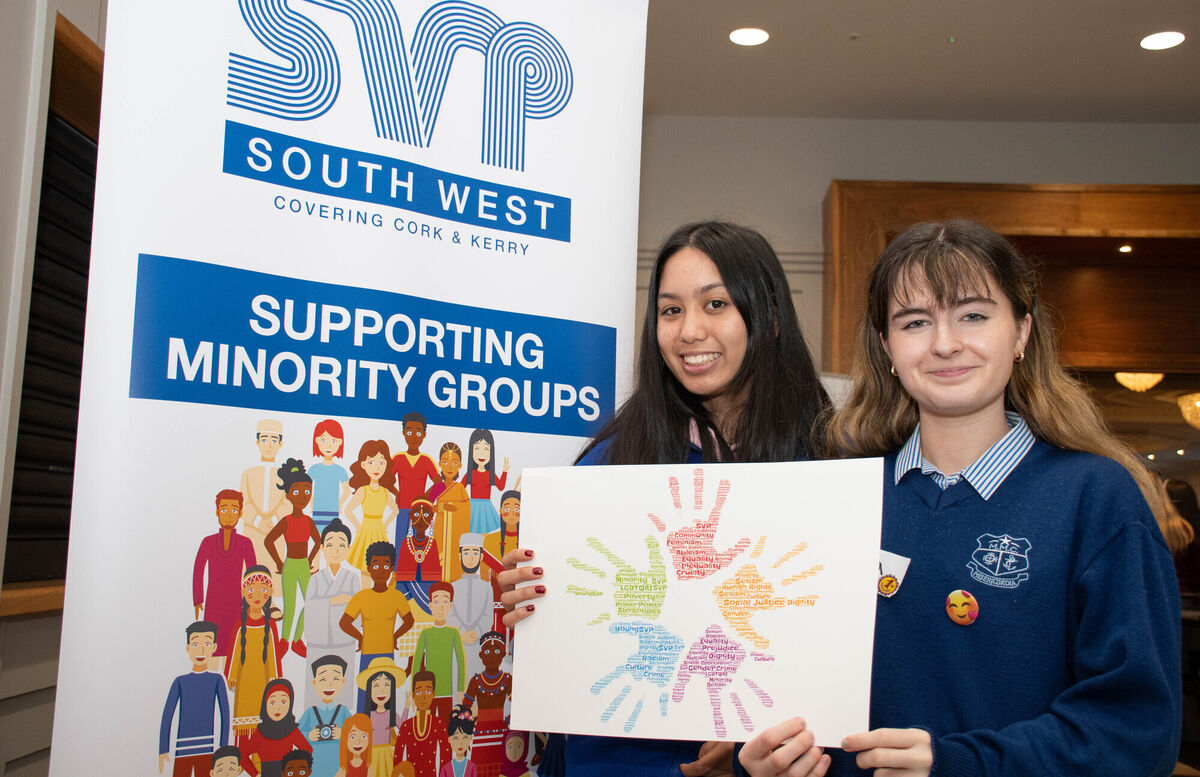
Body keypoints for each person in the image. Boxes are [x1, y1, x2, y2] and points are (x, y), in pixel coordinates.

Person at [735, 219, 1182, 776]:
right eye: (915, 322)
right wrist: (759, 760)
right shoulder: (831, 496)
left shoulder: (1096, 500)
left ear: (1021, 332)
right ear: (887, 347)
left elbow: (1136, 732)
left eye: (973, 315)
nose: (944, 343)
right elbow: (777, 683)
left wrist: (960, 765)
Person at [497, 220, 831, 776]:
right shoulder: (611, 461)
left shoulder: (826, 463)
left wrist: (748, 746)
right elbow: (578, 624)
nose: (689, 331)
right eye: (671, 310)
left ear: (769, 316)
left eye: (716, 304)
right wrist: (534, 601)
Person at [193, 490, 257, 670]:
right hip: (213, 601)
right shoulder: (208, 542)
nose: (229, 515)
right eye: (224, 509)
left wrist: (251, 602)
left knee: (234, 648)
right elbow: (198, 570)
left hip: (236, 602)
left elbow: (252, 574)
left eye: (234, 510)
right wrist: (198, 599)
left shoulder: (245, 543)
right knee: (212, 647)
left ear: (240, 513)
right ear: (217, 512)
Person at [265, 458, 322, 658]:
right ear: (288, 495)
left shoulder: (308, 521)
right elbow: (268, 541)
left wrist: (310, 559)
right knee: (289, 606)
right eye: (297, 492)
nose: (303, 497)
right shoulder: (287, 521)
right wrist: (279, 562)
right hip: (290, 565)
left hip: (303, 566)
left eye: (308, 491)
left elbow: (318, 541)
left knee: (311, 602)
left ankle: (297, 640)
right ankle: (284, 641)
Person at [160, 621, 231, 776]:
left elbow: (225, 715)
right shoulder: (180, 681)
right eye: (195, 644)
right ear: (188, 648)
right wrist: (163, 749)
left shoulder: (217, 680)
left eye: (207, 643)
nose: (201, 650)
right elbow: (167, 716)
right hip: (182, 749)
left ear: (214, 647)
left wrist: (223, 747)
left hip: (207, 748)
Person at [304, 519, 362, 709]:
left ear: (348, 549)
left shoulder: (353, 579)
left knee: (341, 686)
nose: (335, 550)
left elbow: (357, 611)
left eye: (341, 545)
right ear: (322, 548)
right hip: (319, 642)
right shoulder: (315, 579)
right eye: (330, 544)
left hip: (344, 641)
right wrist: (333, 601)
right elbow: (310, 609)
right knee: (318, 687)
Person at [227, 566, 284, 748]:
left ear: (270, 592)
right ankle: (243, 753)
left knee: (263, 717)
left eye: (263, 589)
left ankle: (260, 755)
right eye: (252, 589)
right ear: (244, 592)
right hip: (244, 678)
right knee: (244, 717)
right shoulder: (239, 624)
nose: (258, 595)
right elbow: (234, 653)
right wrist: (232, 675)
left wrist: (275, 677)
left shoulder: (270, 625)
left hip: (263, 678)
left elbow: (273, 654)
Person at [345, 441, 401, 576]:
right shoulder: (363, 490)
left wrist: (385, 524)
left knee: (380, 565)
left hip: (379, 530)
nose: (377, 467)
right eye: (371, 462)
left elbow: (395, 510)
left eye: (381, 463)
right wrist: (358, 526)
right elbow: (348, 510)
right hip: (366, 530)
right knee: (365, 566)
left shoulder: (385, 492)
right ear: (363, 465)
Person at [240, 678, 312, 777]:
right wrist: (255, 774)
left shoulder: (291, 730)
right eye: (272, 703)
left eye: (283, 702)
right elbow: (242, 756)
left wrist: (296, 769)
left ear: (290, 704)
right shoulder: (260, 732)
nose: (278, 708)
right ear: (265, 705)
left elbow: (308, 750)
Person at [299, 655, 352, 777]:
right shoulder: (310, 712)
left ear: (343, 681)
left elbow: (355, 733)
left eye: (336, 679)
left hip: (338, 765)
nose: (329, 684)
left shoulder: (343, 711)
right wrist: (309, 735)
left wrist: (343, 734)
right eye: (323, 679)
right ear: (314, 682)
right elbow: (296, 735)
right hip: (314, 766)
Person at [393, 412, 441, 545]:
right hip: (402, 508)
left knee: (418, 544)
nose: (414, 437)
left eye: (418, 433)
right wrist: (396, 492)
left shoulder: (426, 460)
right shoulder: (398, 458)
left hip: (419, 510)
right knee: (400, 543)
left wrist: (425, 498)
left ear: (424, 435)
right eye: (409, 432)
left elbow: (439, 484)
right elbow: (385, 479)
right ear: (403, 432)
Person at [429, 442, 472, 582]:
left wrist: (452, 507)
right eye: (445, 462)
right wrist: (440, 507)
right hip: (440, 531)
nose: (449, 467)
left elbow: (466, 510)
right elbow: (426, 507)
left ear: (460, 465)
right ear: (440, 464)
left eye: (454, 463)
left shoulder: (460, 488)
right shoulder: (437, 487)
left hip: (455, 535)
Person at [461, 430, 508, 535]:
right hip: (472, 507)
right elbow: (460, 488)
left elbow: (501, 486)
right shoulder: (470, 474)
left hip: (486, 508)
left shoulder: (490, 474)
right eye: (477, 448)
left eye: (486, 449)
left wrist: (505, 471)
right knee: (471, 531)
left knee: (484, 533)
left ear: (491, 452)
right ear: (471, 451)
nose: (482, 454)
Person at [310, 420, 351, 537]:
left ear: (340, 442)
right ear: (317, 440)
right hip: (317, 510)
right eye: (324, 440)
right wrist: (311, 502)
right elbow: (307, 488)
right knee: (317, 538)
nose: (328, 446)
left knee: (331, 536)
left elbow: (347, 491)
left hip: (333, 511)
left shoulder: (340, 470)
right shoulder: (314, 469)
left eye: (333, 441)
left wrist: (339, 504)